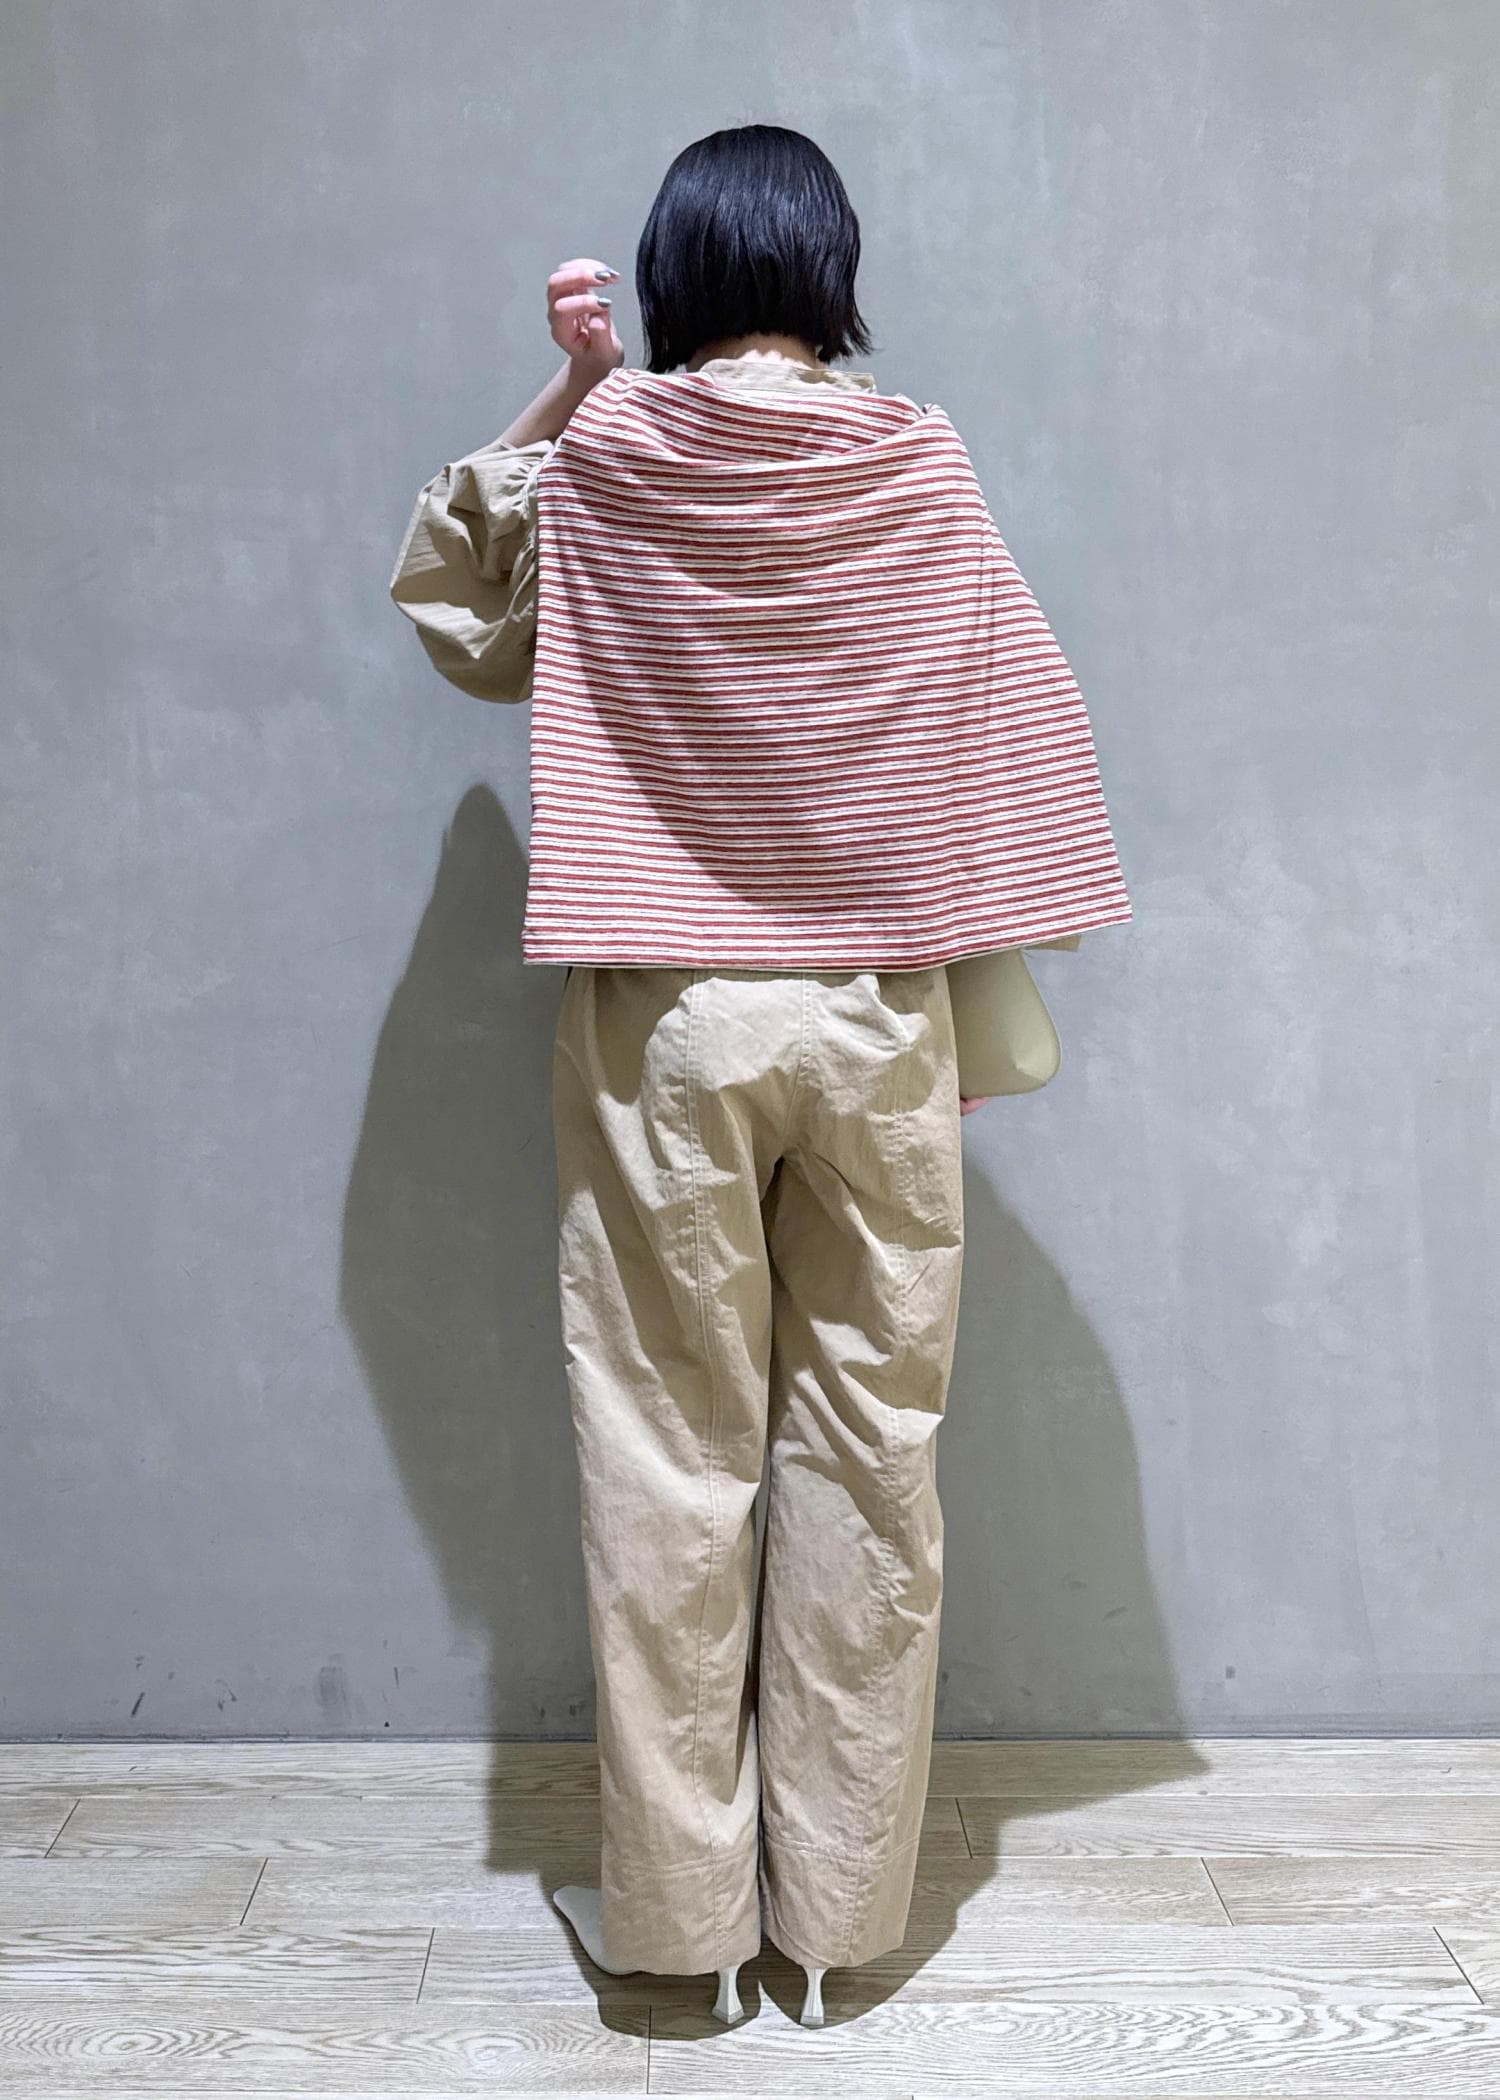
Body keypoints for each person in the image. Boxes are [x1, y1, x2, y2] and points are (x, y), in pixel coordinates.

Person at [390, 124, 1130, 2028]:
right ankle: (837, 1923)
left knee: (667, 1460)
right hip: (876, 1018)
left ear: (674, 272)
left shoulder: (612, 455)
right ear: (829, 271)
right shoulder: (920, 461)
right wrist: (965, 969)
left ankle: (680, 1927)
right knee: (871, 1456)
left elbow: (460, 609)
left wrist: (568, 387)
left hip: (663, 1028)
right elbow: (1004, 718)